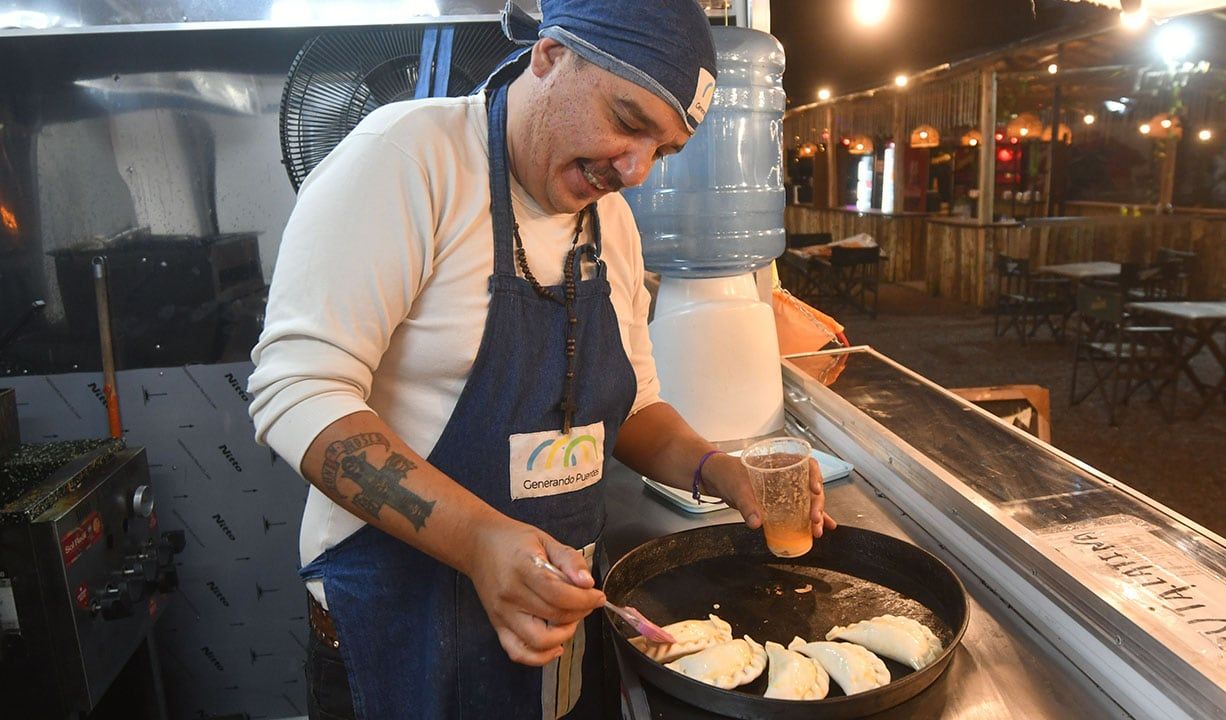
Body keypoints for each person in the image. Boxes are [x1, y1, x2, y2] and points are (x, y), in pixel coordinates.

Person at [247, 1, 835, 717]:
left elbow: (636, 406)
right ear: (550, 58)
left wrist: (720, 472)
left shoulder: (611, 223)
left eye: (665, 149)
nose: (637, 170)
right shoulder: (408, 161)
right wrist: (478, 541)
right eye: (628, 119)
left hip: (552, 639)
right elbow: (299, 392)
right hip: (404, 643)